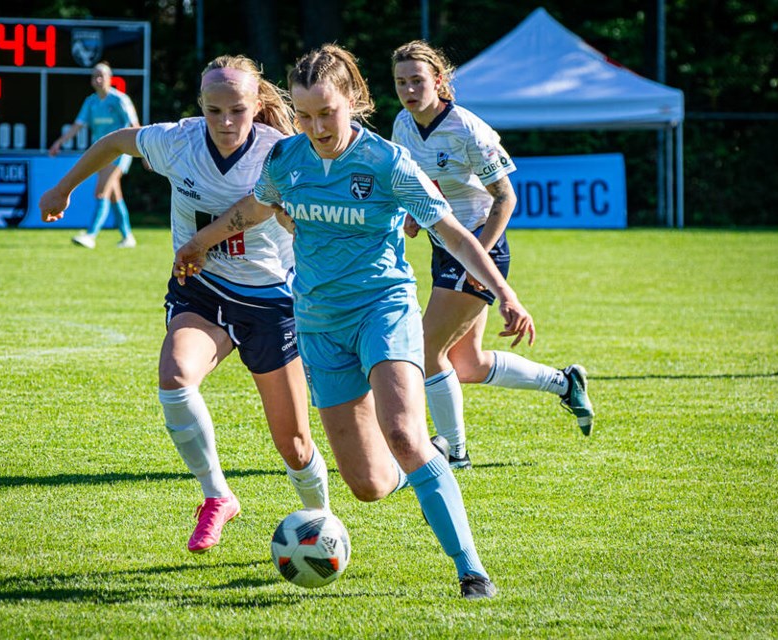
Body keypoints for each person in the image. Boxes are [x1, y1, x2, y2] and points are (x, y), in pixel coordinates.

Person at [174, 44, 535, 600]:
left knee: (403, 434)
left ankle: (471, 569)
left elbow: (453, 231)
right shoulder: (286, 161)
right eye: (305, 115)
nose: (317, 126)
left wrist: (504, 291)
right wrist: (200, 240)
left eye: (328, 113)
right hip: (319, 324)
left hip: (382, 309)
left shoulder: (387, 161)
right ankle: (426, 457)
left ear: (355, 102)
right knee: (367, 485)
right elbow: (256, 208)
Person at [39, 55, 330, 554]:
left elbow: (296, 223)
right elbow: (114, 141)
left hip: (272, 303)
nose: (225, 123)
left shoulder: (282, 152)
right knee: (174, 378)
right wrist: (64, 188)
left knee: (296, 445)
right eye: (213, 111)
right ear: (201, 107)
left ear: (257, 104)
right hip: (204, 290)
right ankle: (217, 494)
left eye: (237, 110)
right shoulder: (178, 140)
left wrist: (292, 220)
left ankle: (321, 524)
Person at [390, 41, 595, 469]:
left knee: (427, 350)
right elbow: (415, 185)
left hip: (481, 246)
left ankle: (456, 454)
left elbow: (505, 198)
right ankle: (565, 383)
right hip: (443, 246)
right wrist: (413, 215)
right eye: (401, 82)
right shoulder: (403, 125)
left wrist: (474, 257)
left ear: (439, 81)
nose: (409, 90)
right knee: (467, 363)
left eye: (418, 81)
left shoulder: (468, 130)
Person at [48, 62, 140, 249]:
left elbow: (135, 125)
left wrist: (145, 153)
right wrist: (59, 142)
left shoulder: (120, 99)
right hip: (102, 153)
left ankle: (91, 235)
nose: (97, 79)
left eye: (101, 75)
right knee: (114, 195)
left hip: (121, 152)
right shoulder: (90, 102)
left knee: (101, 191)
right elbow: (77, 126)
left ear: (109, 79)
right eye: (94, 76)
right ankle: (127, 236)